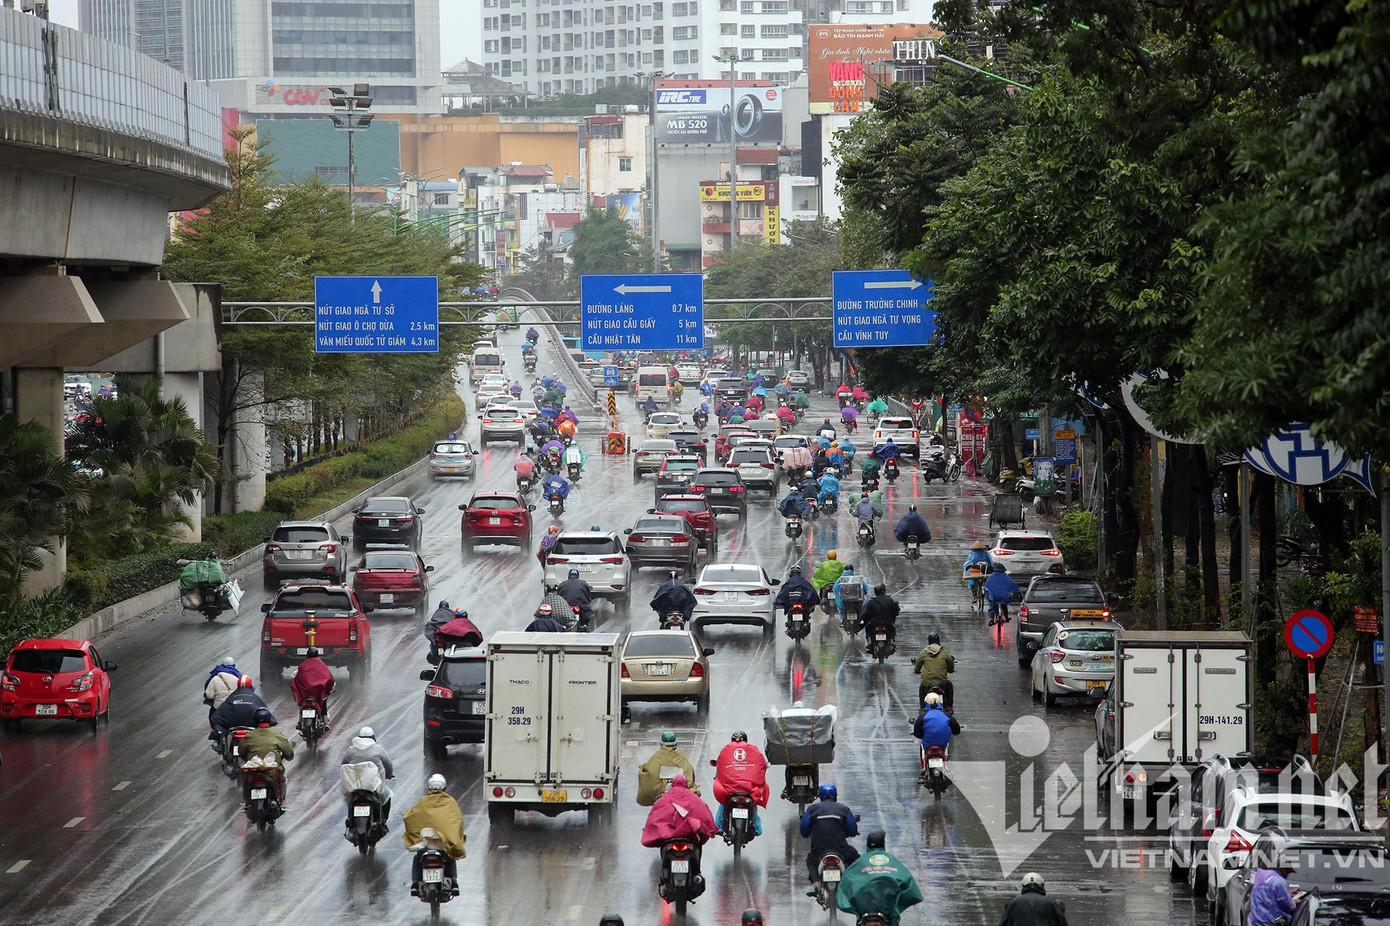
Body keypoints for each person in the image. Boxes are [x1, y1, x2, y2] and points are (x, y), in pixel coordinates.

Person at [640, 773, 716, 893]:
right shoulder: (693, 798)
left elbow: (655, 817)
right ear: (686, 785)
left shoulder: (664, 798)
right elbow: (704, 815)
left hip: (670, 840)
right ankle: (696, 873)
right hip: (689, 840)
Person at [835, 830, 923, 926]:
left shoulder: (859, 862)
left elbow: (845, 882)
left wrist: (854, 907)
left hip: (864, 913)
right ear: (883, 844)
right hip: (888, 914)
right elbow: (909, 884)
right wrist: (898, 905)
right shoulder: (892, 861)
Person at [404, 774, 466, 895]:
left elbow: (413, 818)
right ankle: (454, 883)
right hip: (442, 845)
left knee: (418, 857)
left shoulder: (422, 802)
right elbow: (457, 821)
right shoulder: (450, 802)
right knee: (450, 856)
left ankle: (415, 884)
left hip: (426, 844)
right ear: (444, 787)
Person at [800, 783, 860, 887]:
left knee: (811, 860)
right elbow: (853, 831)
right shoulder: (844, 809)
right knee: (856, 858)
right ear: (835, 796)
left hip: (818, 850)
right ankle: (852, 883)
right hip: (841, 849)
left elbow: (804, 831)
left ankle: (815, 884)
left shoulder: (812, 809)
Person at [712, 731, 770, 836]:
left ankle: (719, 826)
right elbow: (760, 765)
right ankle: (757, 827)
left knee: (723, 802)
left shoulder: (726, 750)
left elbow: (720, 767)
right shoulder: (753, 750)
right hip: (748, 790)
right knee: (753, 803)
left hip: (731, 790)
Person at [238, 707, 295, 807]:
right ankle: (279, 799)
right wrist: (287, 756)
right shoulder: (277, 734)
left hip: (252, 772)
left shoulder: (249, 736)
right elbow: (289, 753)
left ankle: (248, 802)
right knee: (282, 779)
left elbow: (241, 752)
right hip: (272, 772)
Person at [339, 726, 395, 827]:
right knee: (387, 796)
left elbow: (344, 765)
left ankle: (351, 820)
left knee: (350, 800)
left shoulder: (351, 750)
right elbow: (388, 765)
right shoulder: (378, 749)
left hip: (354, 786)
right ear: (373, 737)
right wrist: (389, 775)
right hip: (373, 786)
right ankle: (384, 821)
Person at [637, 731, 700, 806]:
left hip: (660, 794)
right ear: (675, 744)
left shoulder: (656, 757)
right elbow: (689, 773)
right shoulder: (681, 758)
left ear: (661, 744)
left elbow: (649, 772)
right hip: (679, 795)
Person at [998, 873, 1069, 926]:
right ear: (1041, 885)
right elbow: (1061, 922)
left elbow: (1004, 923)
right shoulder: (1050, 903)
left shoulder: (1015, 903)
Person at [1247, 851, 1297, 926]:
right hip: (1269, 923)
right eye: (1288, 872)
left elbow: (1268, 896)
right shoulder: (1279, 882)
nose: (1287, 875)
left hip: (1254, 921)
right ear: (1283, 870)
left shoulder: (1263, 877)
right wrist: (1294, 902)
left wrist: (1288, 894)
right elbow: (1287, 906)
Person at [290, 648, 336, 725]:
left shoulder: (303, 666)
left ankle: (300, 721)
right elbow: (329, 677)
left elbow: (297, 678)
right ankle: (325, 721)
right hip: (318, 692)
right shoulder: (322, 665)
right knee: (323, 701)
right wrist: (330, 687)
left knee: (302, 703)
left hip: (306, 693)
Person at [913, 632, 955, 710]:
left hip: (927, 683)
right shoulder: (944, 652)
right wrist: (950, 670)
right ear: (938, 641)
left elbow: (916, 668)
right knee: (950, 686)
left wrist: (917, 671)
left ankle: (923, 708)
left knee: (921, 689)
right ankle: (950, 707)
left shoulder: (923, 653)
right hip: (942, 682)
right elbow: (951, 664)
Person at [912, 691, 961, 756]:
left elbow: (917, 734)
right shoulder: (946, 716)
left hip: (928, 745)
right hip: (943, 745)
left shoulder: (923, 717)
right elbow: (956, 730)